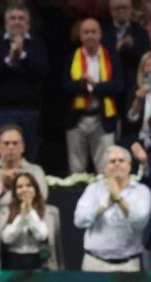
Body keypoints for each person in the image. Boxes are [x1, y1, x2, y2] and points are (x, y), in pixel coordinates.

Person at [0, 125, 48, 269]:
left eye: (15, 143)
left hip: (26, 245)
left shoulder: (35, 171)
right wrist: (3, 189)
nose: (11, 147)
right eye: (6, 143)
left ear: (23, 146)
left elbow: (42, 198)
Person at [0, 6, 47, 162]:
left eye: (21, 18)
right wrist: (9, 59)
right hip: (0, 110)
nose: (17, 22)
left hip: (29, 110)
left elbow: (42, 71)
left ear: (28, 24)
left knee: (29, 155)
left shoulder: (37, 45)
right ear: (5, 23)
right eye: (13, 18)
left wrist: (22, 55)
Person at [74, 146, 151, 272]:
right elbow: (79, 220)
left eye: (121, 161)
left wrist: (119, 199)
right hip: (95, 263)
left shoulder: (141, 191)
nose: (117, 164)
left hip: (128, 265)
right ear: (105, 168)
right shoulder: (93, 189)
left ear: (129, 166)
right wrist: (103, 207)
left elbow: (139, 222)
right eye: (112, 161)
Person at [66, 19, 124, 175]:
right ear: (80, 35)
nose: (90, 36)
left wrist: (96, 86)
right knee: (76, 169)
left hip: (103, 117)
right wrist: (80, 85)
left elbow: (119, 87)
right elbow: (63, 87)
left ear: (100, 34)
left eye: (93, 32)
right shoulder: (72, 56)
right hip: (78, 119)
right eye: (86, 32)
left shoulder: (110, 56)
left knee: (107, 168)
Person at [0, 172, 62, 270]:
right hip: (13, 260)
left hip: (37, 260)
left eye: (29, 185)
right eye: (19, 187)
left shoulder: (48, 211)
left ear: (36, 189)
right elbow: (7, 239)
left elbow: (42, 235)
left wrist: (30, 212)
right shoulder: (5, 211)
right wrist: (22, 216)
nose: (24, 189)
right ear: (14, 191)